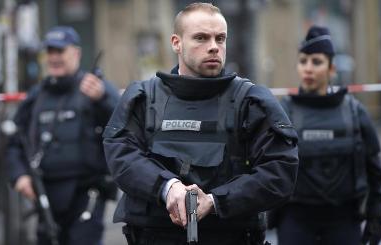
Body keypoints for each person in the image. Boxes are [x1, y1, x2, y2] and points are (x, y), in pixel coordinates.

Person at [103, 2, 299, 245]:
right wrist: (168, 187)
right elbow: (122, 155)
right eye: (201, 38)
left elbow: (280, 171)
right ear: (176, 42)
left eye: (220, 38)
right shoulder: (143, 99)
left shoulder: (251, 102)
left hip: (231, 236)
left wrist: (216, 201)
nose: (214, 47)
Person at [272, 26, 381, 245]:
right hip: (296, 219)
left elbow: (374, 169)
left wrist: (377, 215)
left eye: (316, 62)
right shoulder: (283, 112)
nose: (308, 68)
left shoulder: (353, 112)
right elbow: (268, 167)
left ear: (332, 68)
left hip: (343, 220)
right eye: (303, 61)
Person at [7, 26, 120, 245]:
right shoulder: (37, 96)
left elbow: (124, 126)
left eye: (60, 51)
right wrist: (19, 176)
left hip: (87, 193)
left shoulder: (95, 88)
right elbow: (15, 141)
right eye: (50, 51)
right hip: (45, 195)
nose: (54, 57)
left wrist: (103, 99)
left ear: (76, 53)